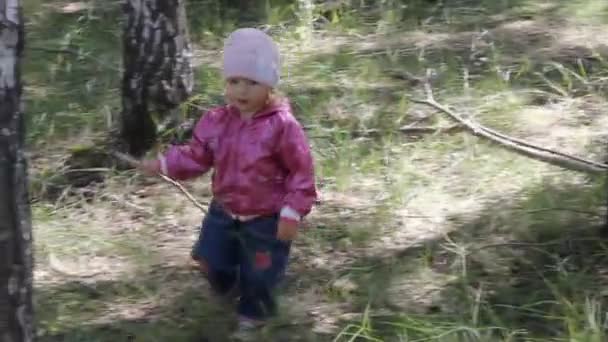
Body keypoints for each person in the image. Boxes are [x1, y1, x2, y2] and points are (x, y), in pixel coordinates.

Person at [137, 28, 317, 338]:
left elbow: (301, 172)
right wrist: (165, 164)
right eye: (234, 81)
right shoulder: (217, 121)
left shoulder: (282, 126)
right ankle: (231, 287)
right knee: (210, 260)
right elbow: (197, 156)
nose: (241, 91)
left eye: (252, 83)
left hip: (266, 219)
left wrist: (292, 211)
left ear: (269, 86)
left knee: (260, 272)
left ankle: (252, 317)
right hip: (224, 211)